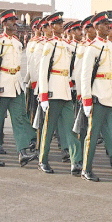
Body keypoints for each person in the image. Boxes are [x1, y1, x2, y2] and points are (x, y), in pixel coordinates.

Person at [80, 11, 112, 183]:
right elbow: (85, 76)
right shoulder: (92, 48)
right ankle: (86, 168)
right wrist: (86, 100)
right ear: (96, 27)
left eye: (108, 23)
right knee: (93, 134)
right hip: (98, 96)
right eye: (103, 24)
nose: (108, 26)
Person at [0, 9, 39, 167]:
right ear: (4, 23)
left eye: (15, 20)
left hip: (16, 86)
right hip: (2, 87)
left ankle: (22, 152)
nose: (15, 23)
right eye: (11, 21)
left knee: (19, 120)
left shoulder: (17, 42)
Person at [37, 12, 82, 174]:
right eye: (58, 23)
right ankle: (43, 160)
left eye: (62, 23)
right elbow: (43, 72)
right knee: (48, 130)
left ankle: (75, 161)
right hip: (53, 93)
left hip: (65, 92)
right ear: (51, 26)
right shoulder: (49, 45)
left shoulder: (65, 45)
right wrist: (43, 96)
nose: (61, 26)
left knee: (71, 129)